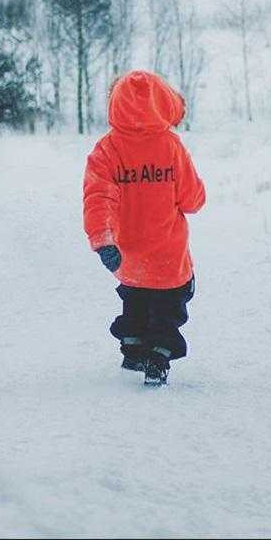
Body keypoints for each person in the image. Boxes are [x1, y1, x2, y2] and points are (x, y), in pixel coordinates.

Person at [82, 70, 206, 386]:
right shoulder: (171, 147)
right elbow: (192, 199)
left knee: (134, 300)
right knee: (169, 308)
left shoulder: (107, 150)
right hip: (168, 254)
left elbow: (98, 196)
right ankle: (158, 357)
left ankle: (133, 346)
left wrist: (104, 239)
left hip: (129, 255)